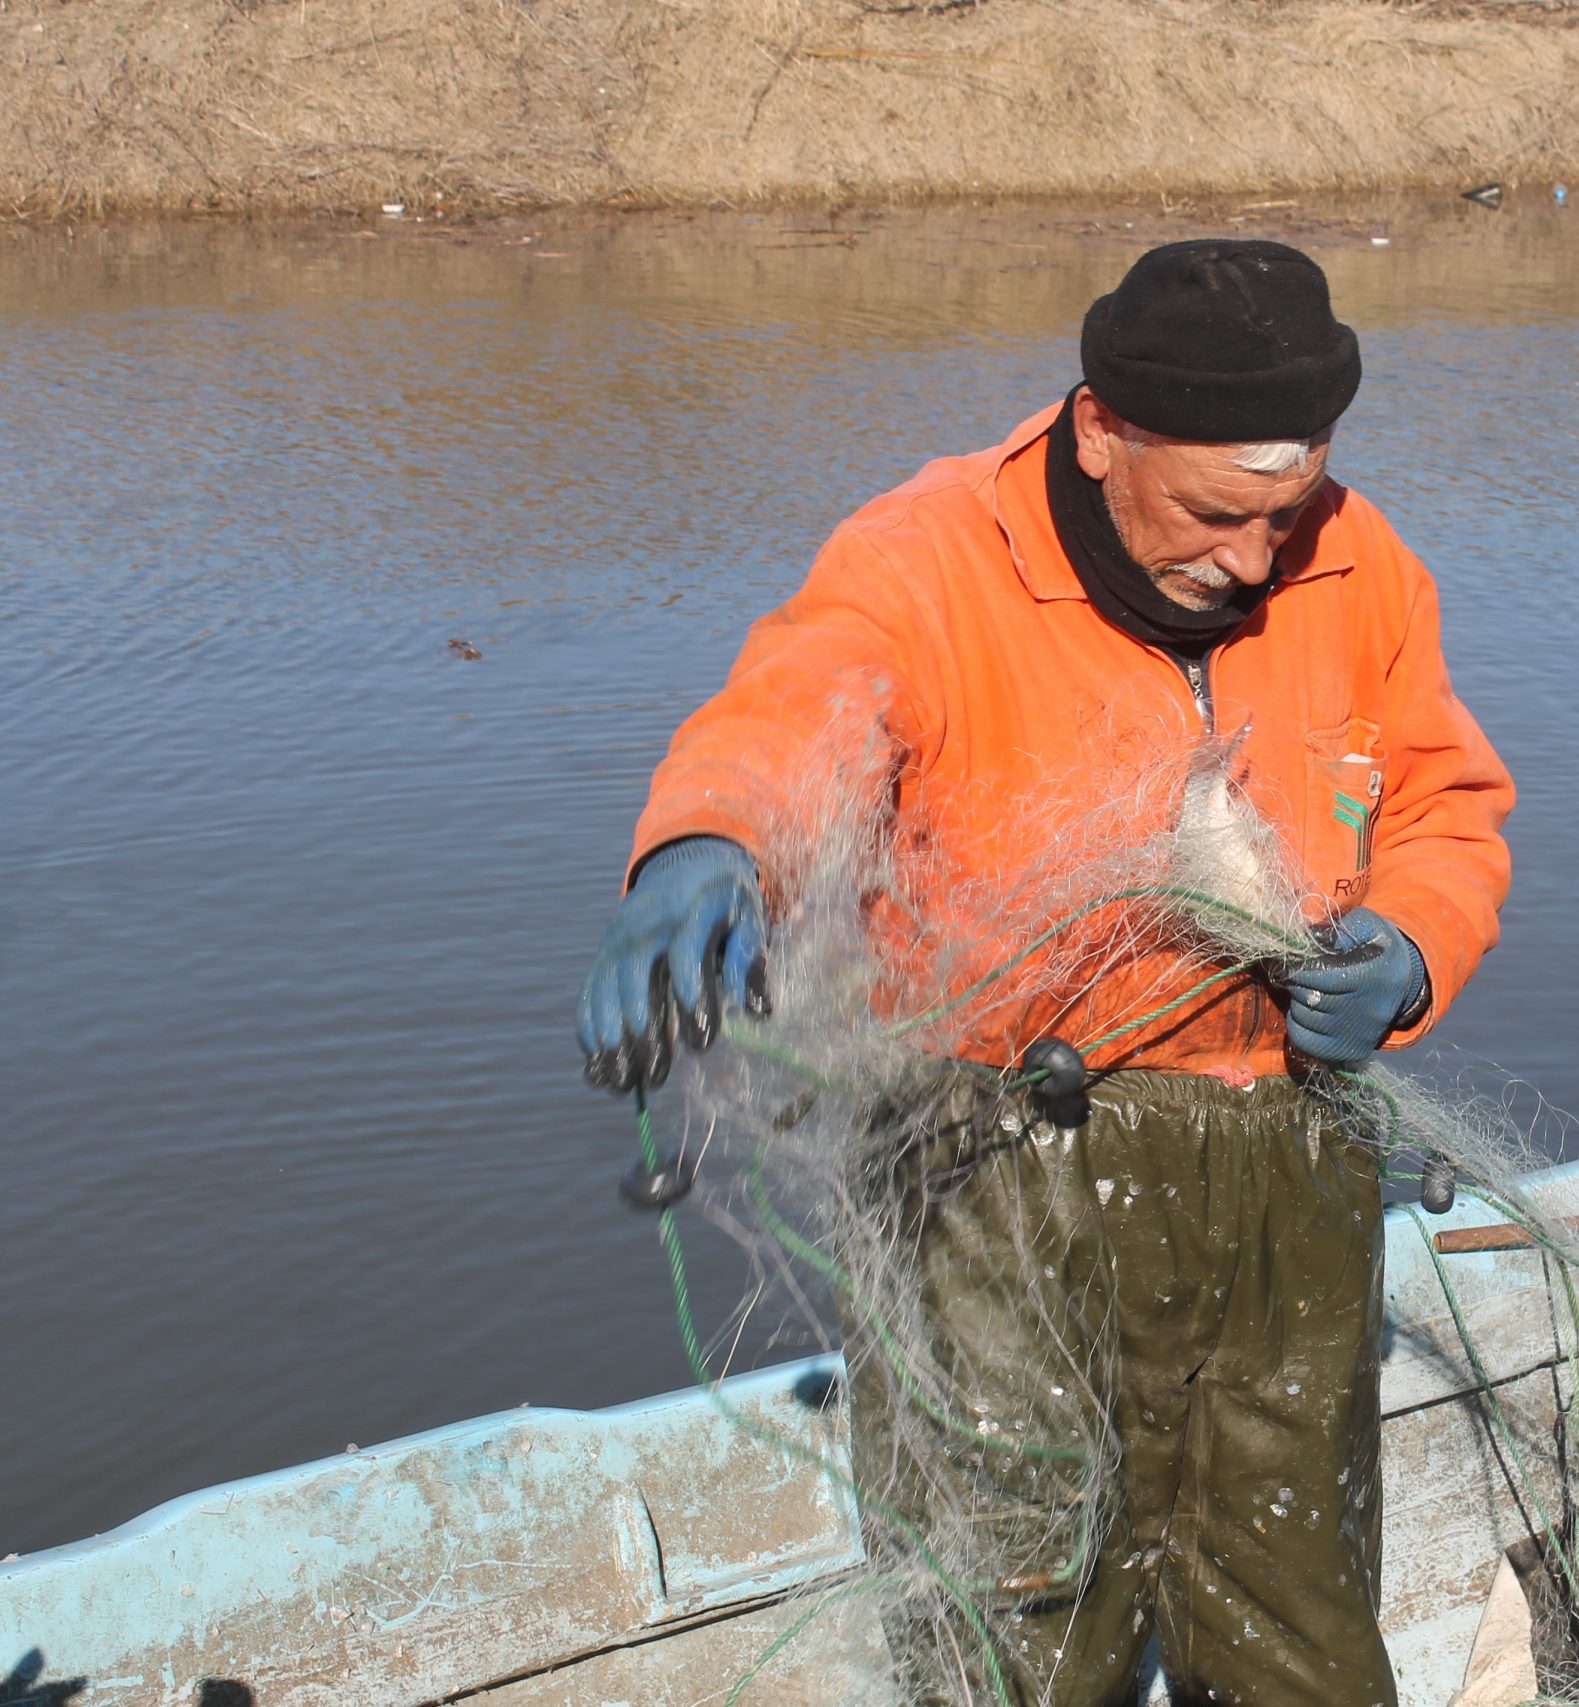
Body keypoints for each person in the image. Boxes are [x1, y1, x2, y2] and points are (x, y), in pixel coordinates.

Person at [575, 238, 1513, 1705]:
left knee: (1295, 1602)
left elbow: (1447, 805)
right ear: (1100, 431)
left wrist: (1409, 948)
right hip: (993, 1174)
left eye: (1287, 513)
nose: (1257, 558)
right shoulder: (927, 557)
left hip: (1284, 1169)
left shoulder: (1362, 559)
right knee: (1014, 1606)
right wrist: (705, 847)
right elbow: (793, 714)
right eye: (1218, 511)